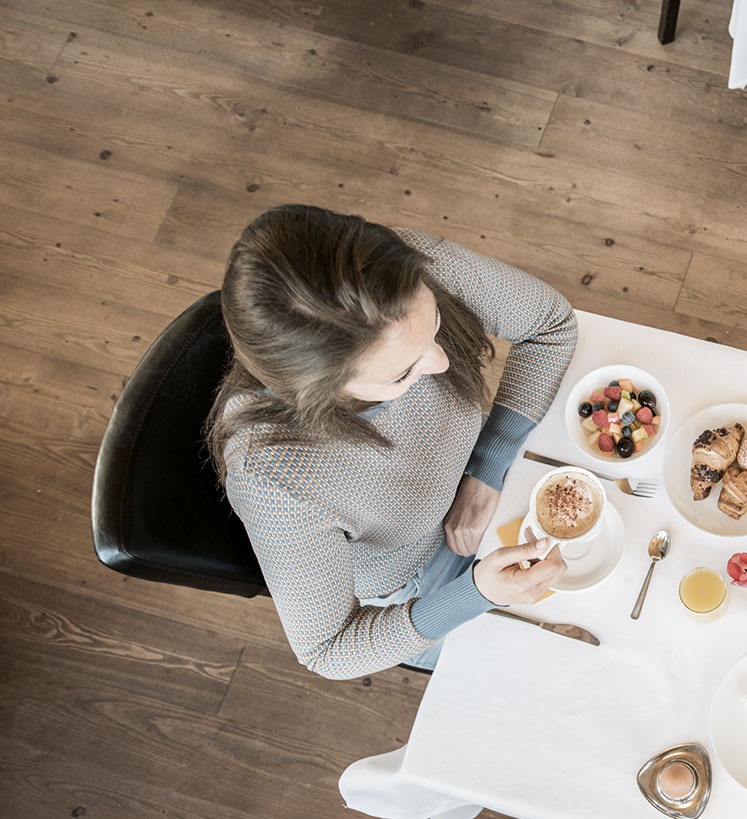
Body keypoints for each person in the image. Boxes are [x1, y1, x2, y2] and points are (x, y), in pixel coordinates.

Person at [208, 205, 573, 679]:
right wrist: (476, 595)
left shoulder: (401, 267)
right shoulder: (275, 480)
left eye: (435, 324)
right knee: (546, 672)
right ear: (320, 395)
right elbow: (328, 651)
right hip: (419, 588)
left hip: (488, 477)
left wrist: (486, 466)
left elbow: (551, 324)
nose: (442, 364)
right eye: (404, 373)